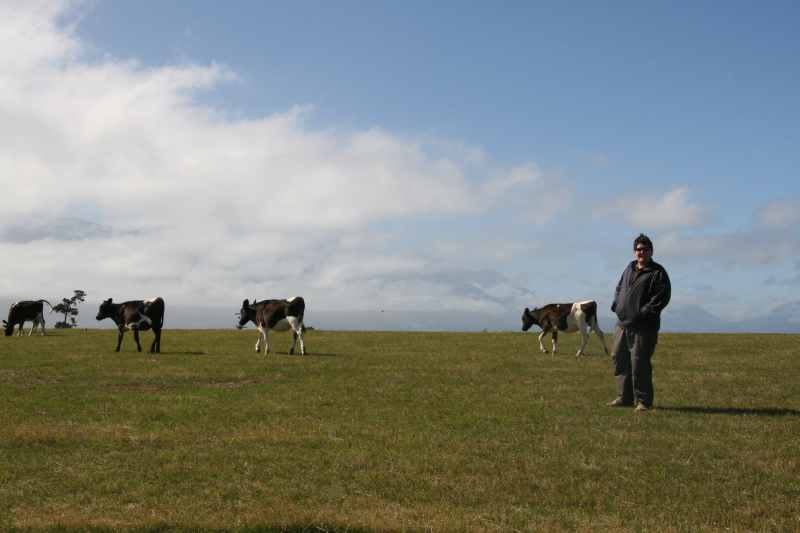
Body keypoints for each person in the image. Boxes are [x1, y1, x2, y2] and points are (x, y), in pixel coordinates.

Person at [608, 234, 671, 411]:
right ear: (634, 251)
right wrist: (617, 305)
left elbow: (661, 298)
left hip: (643, 327)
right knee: (619, 359)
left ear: (651, 251)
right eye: (638, 249)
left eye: (644, 249)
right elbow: (620, 287)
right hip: (622, 324)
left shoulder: (658, 273)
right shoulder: (629, 268)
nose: (641, 252)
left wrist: (641, 314)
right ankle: (624, 397)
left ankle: (643, 401)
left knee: (639, 362)